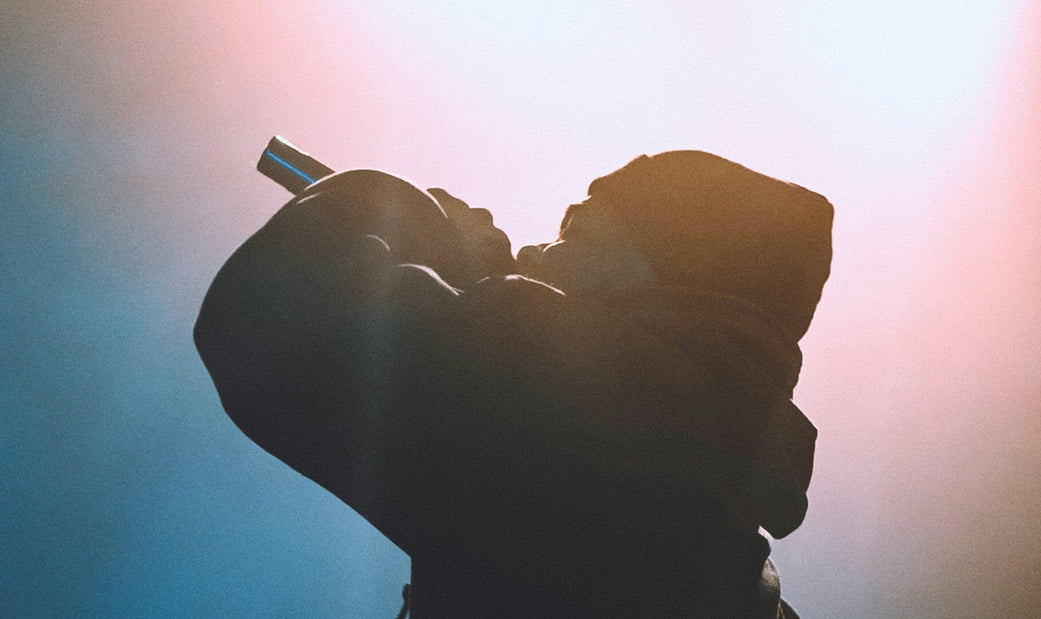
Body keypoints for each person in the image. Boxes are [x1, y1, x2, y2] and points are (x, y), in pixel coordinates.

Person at [194, 150, 833, 617]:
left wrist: (396, 206)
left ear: (668, 279)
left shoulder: (598, 408)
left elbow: (272, 310)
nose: (530, 254)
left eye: (573, 234)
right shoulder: (710, 491)